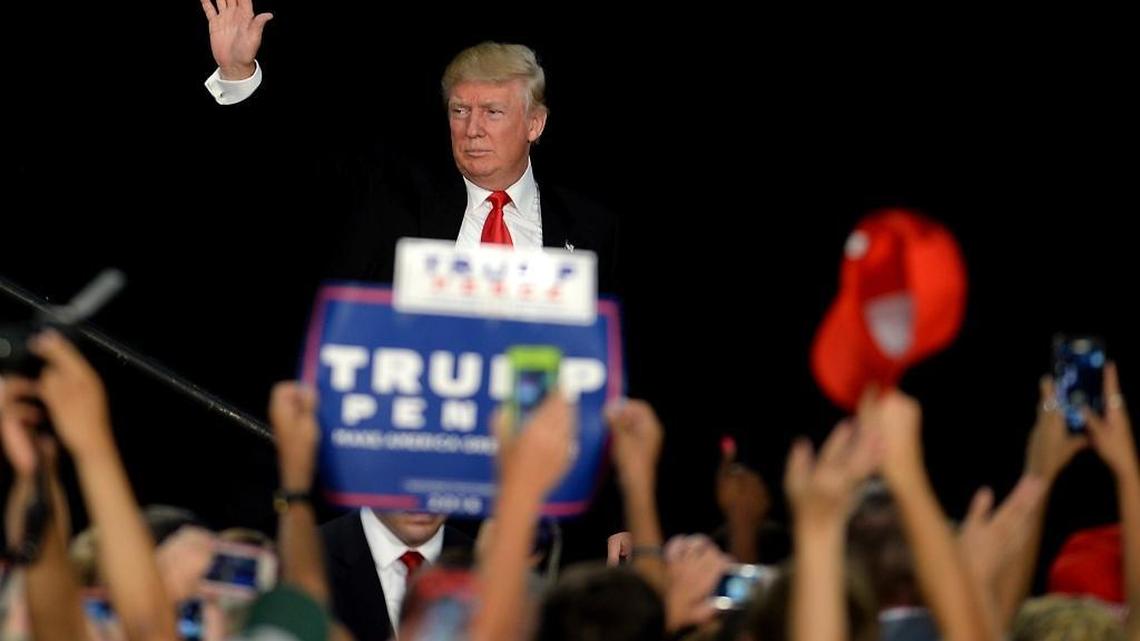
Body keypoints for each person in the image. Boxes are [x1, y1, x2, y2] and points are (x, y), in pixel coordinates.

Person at [198, 0, 620, 292]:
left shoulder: (590, 229)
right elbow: (281, 168)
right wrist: (238, 76)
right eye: (459, 111)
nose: (471, 129)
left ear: (534, 123)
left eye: (492, 112)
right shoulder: (391, 197)